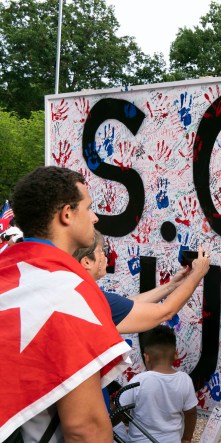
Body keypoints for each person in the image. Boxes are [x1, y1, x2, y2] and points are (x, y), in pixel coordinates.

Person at [0, 166, 129, 442]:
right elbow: (86, 430)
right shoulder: (68, 291)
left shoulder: (6, 271)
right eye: (89, 208)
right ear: (67, 214)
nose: (94, 217)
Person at [73, 230, 210, 333]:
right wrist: (197, 273)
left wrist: (172, 285)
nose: (106, 255)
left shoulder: (81, 295)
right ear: (87, 262)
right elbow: (165, 311)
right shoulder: (92, 300)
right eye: (102, 251)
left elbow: (133, 304)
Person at [115, 325, 197, 443]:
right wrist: (186, 439)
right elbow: (191, 413)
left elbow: (119, 412)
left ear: (146, 357)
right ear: (176, 354)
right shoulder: (185, 380)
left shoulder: (138, 381)